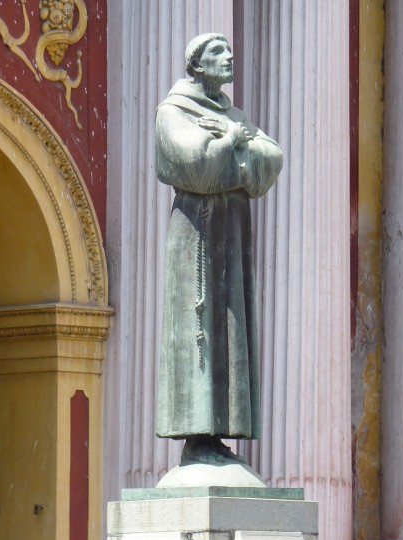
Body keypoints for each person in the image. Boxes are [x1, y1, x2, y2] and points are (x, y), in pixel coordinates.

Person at [155, 33, 283, 465]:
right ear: (196, 65)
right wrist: (232, 146)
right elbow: (192, 166)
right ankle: (196, 438)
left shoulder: (231, 114)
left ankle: (220, 436)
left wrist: (229, 148)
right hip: (196, 239)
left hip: (230, 237)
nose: (229, 57)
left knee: (230, 328)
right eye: (217, 52)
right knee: (201, 329)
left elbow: (271, 158)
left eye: (230, 49)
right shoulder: (173, 111)